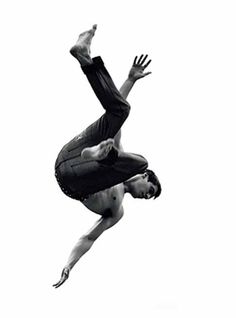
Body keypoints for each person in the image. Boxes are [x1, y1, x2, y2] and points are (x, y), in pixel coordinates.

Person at [53, 24, 161, 288]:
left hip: (74, 180)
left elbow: (88, 237)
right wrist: (131, 80)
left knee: (128, 154)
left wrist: (69, 264)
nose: (146, 196)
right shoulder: (125, 157)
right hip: (73, 153)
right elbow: (115, 111)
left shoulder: (116, 210)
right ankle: (85, 58)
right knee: (120, 113)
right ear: (144, 178)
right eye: (150, 190)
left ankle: (100, 156)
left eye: (148, 197)